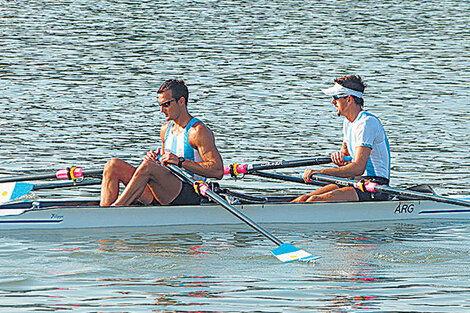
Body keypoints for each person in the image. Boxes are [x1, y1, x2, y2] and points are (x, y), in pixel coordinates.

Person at [100, 79, 224, 207]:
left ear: (181, 101)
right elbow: (165, 166)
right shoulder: (165, 129)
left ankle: (116, 209)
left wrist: (180, 162)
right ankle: (104, 213)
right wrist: (156, 160)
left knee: (148, 167)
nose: (162, 110)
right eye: (160, 105)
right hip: (166, 191)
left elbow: (217, 171)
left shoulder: (198, 131)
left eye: (166, 105)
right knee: (112, 166)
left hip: (190, 192)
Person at [292, 75, 390, 202]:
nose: (332, 102)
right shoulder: (348, 123)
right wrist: (340, 157)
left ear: (349, 99)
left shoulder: (366, 123)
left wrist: (321, 172)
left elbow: (358, 167)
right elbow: (346, 157)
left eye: (336, 98)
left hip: (375, 186)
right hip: (355, 181)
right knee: (302, 199)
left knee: (313, 200)